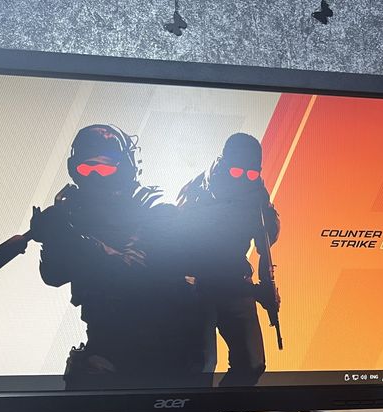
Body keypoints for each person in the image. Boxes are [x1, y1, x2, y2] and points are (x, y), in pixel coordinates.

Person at [29, 123, 208, 389]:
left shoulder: (156, 212)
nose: (96, 176)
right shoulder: (77, 218)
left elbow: (133, 269)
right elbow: (54, 275)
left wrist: (73, 237)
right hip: (105, 348)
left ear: (124, 169)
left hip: (162, 351)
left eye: (105, 168)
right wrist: (53, 237)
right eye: (87, 168)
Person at [175, 132, 280, 386]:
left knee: (253, 364)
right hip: (196, 285)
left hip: (235, 280)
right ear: (224, 163)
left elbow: (265, 244)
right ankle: (197, 410)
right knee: (201, 365)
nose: (243, 178)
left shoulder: (257, 193)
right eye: (236, 171)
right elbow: (176, 244)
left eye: (251, 173)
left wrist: (267, 288)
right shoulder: (197, 191)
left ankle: (221, 407)